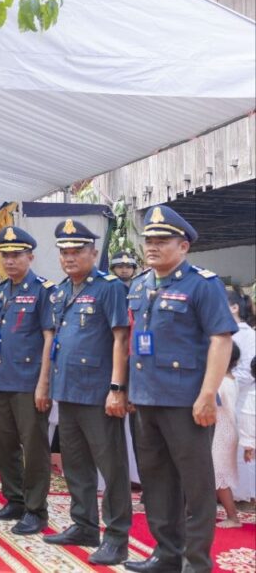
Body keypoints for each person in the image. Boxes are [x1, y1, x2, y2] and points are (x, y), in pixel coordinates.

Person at [124, 206, 237, 573]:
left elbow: (221, 340)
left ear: (183, 246)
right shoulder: (140, 284)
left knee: (196, 485)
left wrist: (207, 394)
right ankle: (166, 554)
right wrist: (127, 389)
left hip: (187, 402)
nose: (152, 247)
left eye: (162, 240)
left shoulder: (202, 284)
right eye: (149, 240)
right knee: (157, 482)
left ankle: (195, 562)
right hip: (146, 399)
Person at [42, 219, 132, 566]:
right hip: (68, 390)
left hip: (98, 393)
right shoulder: (62, 290)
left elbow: (121, 339)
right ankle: (84, 525)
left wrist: (116, 388)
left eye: (77, 251)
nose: (69, 257)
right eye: (64, 251)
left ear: (93, 253)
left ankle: (117, 537)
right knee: (76, 464)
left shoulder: (109, 287)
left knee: (112, 468)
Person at [0, 226, 54, 535]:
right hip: (2, 380)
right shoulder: (0, 292)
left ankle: (36, 510)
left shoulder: (43, 290)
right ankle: (14, 499)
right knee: (4, 444)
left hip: (28, 382)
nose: (10, 261)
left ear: (30, 257)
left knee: (34, 447)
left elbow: (49, 338)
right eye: (6, 256)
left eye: (16, 255)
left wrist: (44, 383)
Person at [228, 292, 256, 502]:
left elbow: (248, 372)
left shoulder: (248, 335)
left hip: (242, 399)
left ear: (234, 307)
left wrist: (224, 381)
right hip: (224, 398)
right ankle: (227, 490)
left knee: (243, 447)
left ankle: (245, 495)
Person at [213, 345, 241, 528]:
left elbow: (221, 407)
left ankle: (233, 517)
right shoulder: (231, 379)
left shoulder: (222, 382)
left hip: (222, 431)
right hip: (224, 430)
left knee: (219, 475)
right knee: (217, 474)